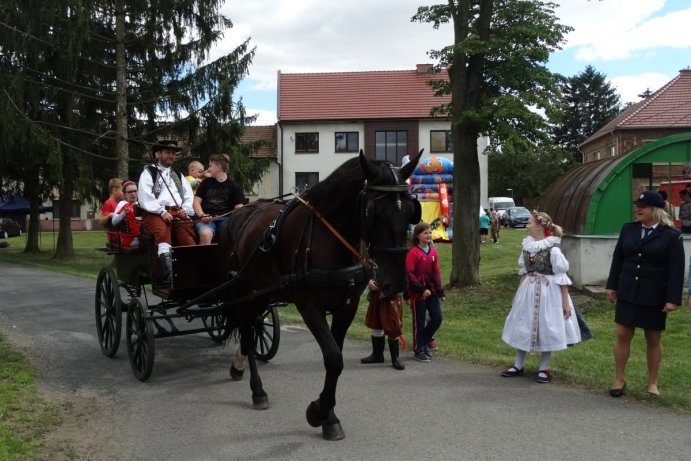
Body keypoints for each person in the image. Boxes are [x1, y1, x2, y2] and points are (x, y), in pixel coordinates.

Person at [605, 190, 684, 397]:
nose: (638, 209)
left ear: (655, 210)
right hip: (628, 289)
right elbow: (618, 258)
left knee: (653, 337)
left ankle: (652, 382)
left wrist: (673, 299)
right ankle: (619, 379)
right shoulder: (628, 230)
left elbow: (676, 269)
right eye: (637, 206)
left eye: (643, 207)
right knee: (623, 334)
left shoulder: (671, 236)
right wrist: (612, 285)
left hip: (654, 293)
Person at [500, 211, 582, 383]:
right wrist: (517, 294)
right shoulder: (527, 246)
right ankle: (518, 364)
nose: (527, 226)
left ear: (539, 226)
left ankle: (543, 368)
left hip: (548, 293)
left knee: (547, 326)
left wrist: (565, 302)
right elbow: (524, 272)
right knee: (523, 323)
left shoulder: (553, 250)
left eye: (529, 223)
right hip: (528, 291)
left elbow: (562, 278)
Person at [138, 140, 196, 286]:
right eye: (168, 152)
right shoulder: (148, 172)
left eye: (173, 153)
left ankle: (190, 274)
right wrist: (162, 211)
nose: (171, 156)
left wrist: (186, 210)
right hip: (154, 212)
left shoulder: (178, 174)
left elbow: (188, 196)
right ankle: (168, 276)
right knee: (163, 233)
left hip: (177, 213)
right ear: (158, 153)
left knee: (188, 239)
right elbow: (145, 197)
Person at [406, 222, 445, 363]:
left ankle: (424, 342)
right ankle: (419, 350)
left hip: (432, 292)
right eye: (425, 233)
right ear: (418, 235)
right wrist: (421, 289)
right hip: (419, 293)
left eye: (429, 232)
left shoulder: (433, 252)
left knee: (437, 318)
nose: (429, 235)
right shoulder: (413, 253)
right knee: (419, 322)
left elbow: (436, 272)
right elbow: (410, 274)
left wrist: (439, 290)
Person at [193, 154, 245, 245]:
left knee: (232, 232)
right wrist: (202, 215)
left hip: (225, 220)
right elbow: (196, 201)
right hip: (206, 219)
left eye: (210, 166)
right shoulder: (205, 183)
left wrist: (239, 208)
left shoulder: (234, 186)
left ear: (218, 167)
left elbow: (239, 207)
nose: (208, 169)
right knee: (205, 234)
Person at [360, 278, 405, 370]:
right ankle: (377, 355)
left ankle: (395, 359)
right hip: (376, 293)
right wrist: (368, 281)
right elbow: (366, 266)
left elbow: (403, 272)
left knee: (393, 326)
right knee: (376, 323)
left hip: (392, 293)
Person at [111, 180, 141, 248]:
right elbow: (114, 222)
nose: (133, 193)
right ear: (124, 194)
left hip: (141, 236)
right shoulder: (123, 204)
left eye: (135, 191)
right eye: (129, 192)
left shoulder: (141, 204)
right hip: (130, 239)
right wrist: (124, 213)